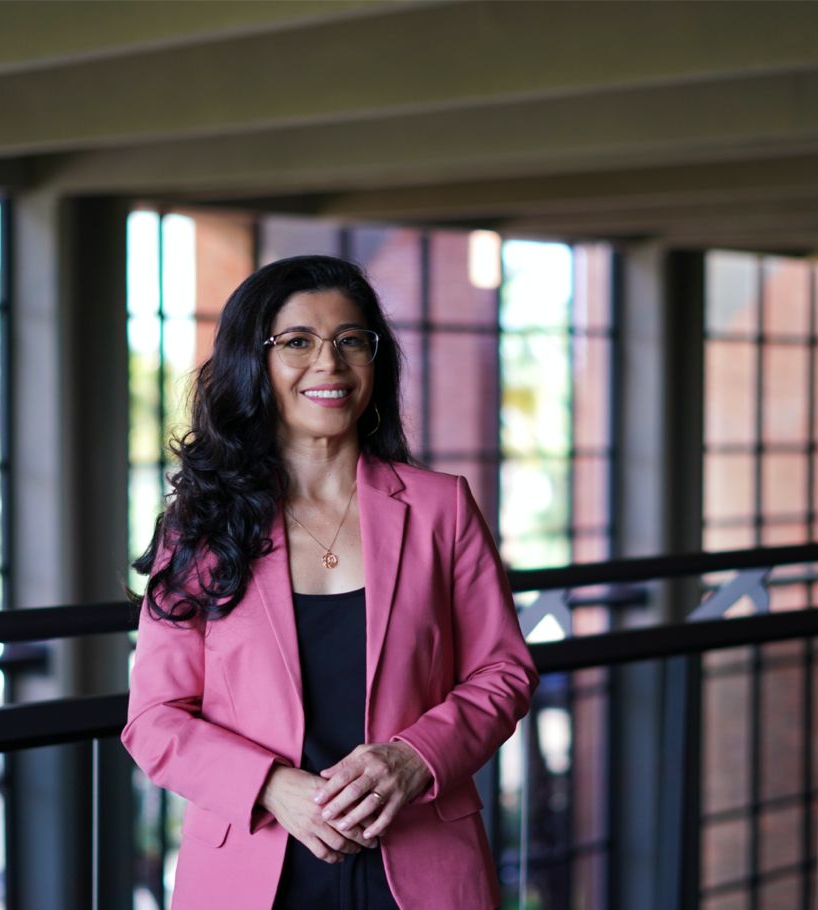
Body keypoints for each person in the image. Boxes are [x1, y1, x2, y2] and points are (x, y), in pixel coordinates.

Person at [121, 254, 539, 910]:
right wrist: (270, 785)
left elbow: (503, 673)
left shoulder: (442, 508)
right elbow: (154, 720)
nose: (329, 364)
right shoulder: (201, 525)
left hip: (421, 861)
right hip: (255, 866)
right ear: (252, 362)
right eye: (297, 343)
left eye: (351, 341)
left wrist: (414, 758)